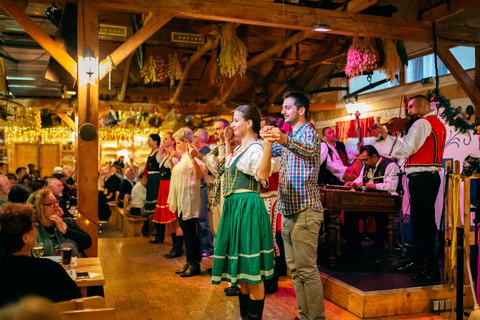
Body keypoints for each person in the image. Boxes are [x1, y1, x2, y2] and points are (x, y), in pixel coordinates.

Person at [261, 92, 325, 320]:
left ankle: (316, 318)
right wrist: (262, 139)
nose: (282, 111)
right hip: (288, 211)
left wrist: (282, 139)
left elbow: (305, 150)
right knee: (295, 271)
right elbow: (267, 152)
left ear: (301, 110)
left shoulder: (309, 135)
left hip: (305, 211)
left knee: (307, 270)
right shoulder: (289, 137)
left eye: (286, 107)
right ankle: (303, 315)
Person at [373, 94, 446, 281]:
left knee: (423, 224)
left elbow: (405, 150)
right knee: (423, 223)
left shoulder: (422, 124)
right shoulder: (437, 123)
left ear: (423, 104)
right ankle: (421, 263)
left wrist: (385, 135)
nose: (409, 111)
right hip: (430, 177)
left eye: (412, 107)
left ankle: (430, 268)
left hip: (421, 178)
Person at [0, 202, 81, 307]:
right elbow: (76, 301)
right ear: (25, 238)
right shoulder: (50, 269)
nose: (35, 231)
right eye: (33, 227)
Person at [344, 145, 400, 259]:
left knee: (382, 221)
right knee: (349, 214)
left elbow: (392, 186)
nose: (364, 163)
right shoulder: (366, 166)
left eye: (365, 159)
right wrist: (354, 183)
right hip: (368, 202)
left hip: (385, 204)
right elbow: (360, 179)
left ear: (374, 156)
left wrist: (371, 186)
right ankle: (355, 251)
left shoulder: (390, 165)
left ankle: (377, 253)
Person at [167, 128, 204, 277]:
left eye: (178, 142)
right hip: (182, 199)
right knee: (187, 234)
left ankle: (194, 264)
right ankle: (189, 261)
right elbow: (176, 173)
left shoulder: (192, 156)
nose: (176, 145)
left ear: (186, 142)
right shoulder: (183, 158)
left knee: (190, 234)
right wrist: (170, 161)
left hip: (189, 199)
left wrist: (195, 159)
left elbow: (199, 175)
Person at [27, 188, 92, 258]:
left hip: (70, 266)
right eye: (51, 203)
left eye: (56, 202)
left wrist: (66, 231)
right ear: (39, 208)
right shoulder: (32, 229)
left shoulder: (68, 223)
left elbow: (87, 243)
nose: (56, 205)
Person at [151, 132, 178, 244]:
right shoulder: (165, 155)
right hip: (164, 185)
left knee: (173, 218)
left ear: (173, 141)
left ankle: (177, 246)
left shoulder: (174, 155)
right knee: (169, 219)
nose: (164, 141)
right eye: (164, 139)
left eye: (166, 139)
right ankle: (173, 244)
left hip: (169, 185)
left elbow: (174, 170)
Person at [193, 128, 214, 257]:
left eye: (195, 136)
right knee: (200, 219)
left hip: (204, 187)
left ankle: (207, 248)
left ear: (200, 139)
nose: (193, 139)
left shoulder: (205, 152)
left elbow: (204, 172)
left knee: (203, 218)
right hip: (200, 187)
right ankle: (203, 247)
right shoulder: (200, 151)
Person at [144, 134, 164, 243]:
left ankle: (160, 234)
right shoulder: (153, 152)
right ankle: (158, 233)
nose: (148, 142)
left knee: (157, 208)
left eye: (149, 140)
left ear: (155, 141)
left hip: (156, 179)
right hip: (152, 180)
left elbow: (161, 165)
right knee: (154, 209)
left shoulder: (158, 152)